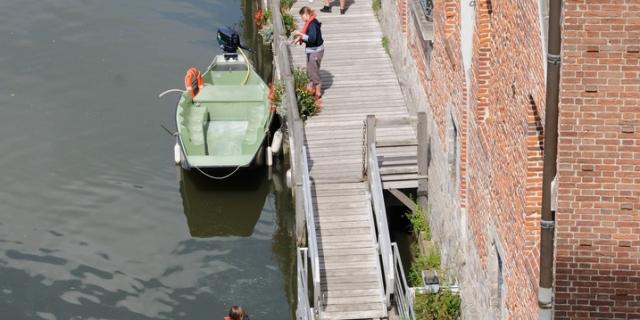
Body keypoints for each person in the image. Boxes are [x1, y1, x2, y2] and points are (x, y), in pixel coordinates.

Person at [292, 7, 324, 98]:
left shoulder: (312, 25)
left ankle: (318, 93)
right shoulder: (311, 22)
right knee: (310, 70)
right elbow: (309, 36)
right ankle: (312, 89)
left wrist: (300, 35)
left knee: (314, 72)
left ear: (306, 14)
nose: (302, 19)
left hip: (315, 51)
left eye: (302, 17)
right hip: (312, 51)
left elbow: (312, 39)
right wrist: (299, 38)